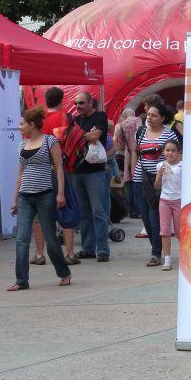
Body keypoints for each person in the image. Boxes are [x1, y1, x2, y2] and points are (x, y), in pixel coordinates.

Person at [7, 108, 71, 291]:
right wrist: (14, 199)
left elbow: (59, 167)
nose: (19, 127)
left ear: (32, 124)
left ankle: (63, 272)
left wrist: (60, 193)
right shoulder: (22, 145)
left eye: (22, 124)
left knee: (51, 238)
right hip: (25, 197)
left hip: (45, 194)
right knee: (21, 239)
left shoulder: (49, 141)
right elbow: (20, 174)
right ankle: (21, 280)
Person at [30, 87, 79, 265]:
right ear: (62, 100)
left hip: (39, 170)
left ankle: (39, 254)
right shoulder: (66, 117)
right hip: (60, 169)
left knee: (39, 213)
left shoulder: (38, 120)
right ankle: (69, 253)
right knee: (66, 209)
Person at [131, 101, 179, 267]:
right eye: (149, 114)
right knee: (145, 216)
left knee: (154, 217)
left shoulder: (169, 134)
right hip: (140, 179)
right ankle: (155, 248)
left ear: (162, 118)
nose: (149, 117)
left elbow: (173, 156)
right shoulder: (141, 131)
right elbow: (135, 153)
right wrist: (132, 173)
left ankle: (156, 253)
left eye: (154, 115)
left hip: (159, 181)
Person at [68, 91, 111, 262]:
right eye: (76, 103)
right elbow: (68, 138)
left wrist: (79, 137)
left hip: (95, 172)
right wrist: (86, 136)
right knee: (83, 213)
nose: (78, 106)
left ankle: (102, 250)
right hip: (76, 172)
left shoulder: (100, 116)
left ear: (91, 103)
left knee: (99, 211)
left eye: (81, 103)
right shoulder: (75, 120)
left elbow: (96, 136)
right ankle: (88, 248)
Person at [154, 139, 182, 271]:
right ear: (163, 152)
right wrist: (159, 176)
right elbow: (156, 186)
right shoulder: (160, 166)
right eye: (167, 150)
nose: (170, 153)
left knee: (180, 231)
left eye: (173, 150)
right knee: (165, 231)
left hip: (179, 201)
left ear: (178, 152)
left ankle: (186, 256)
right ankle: (167, 259)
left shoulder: (183, 166)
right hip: (164, 200)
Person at [114, 108, 142, 221]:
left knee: (128, 182)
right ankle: (138, 209)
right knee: (138, 181)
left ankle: (130, 210)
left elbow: (120, 143)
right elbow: (141, 134)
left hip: (128, 154)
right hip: (139, 152)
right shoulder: (138, 120)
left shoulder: (121, 125)